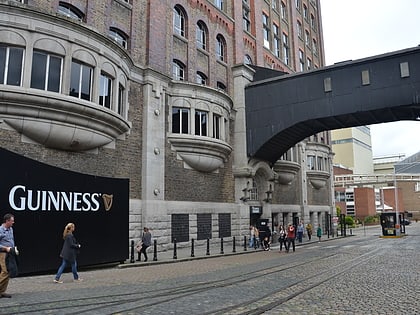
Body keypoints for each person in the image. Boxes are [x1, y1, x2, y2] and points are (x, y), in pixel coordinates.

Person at [0, 214, 16, 298]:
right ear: (7, 221)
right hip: (3, 254)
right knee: (5, 271)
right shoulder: (0, 230)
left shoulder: (11, 229)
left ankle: (2, 291)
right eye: (12, 221)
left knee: (9, 272)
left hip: (10, 253)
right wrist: (5, 248)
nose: (13, 222)